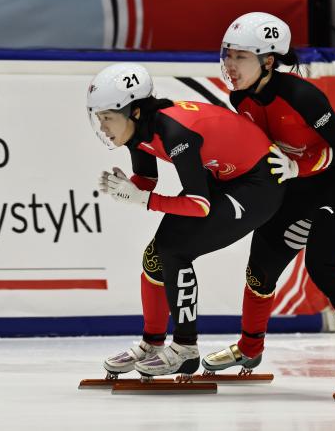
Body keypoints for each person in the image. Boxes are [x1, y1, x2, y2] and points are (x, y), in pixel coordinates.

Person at [200, 12, 335, 387]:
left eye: (240, 57)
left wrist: (299, 167)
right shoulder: (240, 97)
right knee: (260, 267)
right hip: (298, 185)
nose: (230, 65)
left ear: (268, 61)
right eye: (228, 54)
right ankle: (249, 348)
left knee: (323, 267)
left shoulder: (303, 96)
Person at [88, 63, 285, 376]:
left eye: (108, 118)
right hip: (225, 174)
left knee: (175, 251)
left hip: (260, 185)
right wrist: (127, 188)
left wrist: (142, 200)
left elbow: (199, 205)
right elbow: (147, 178)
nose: (103, 128)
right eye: (99, 119)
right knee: (155, 256)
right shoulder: (138, 131)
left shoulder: (175, 132)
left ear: (135, 111)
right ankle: (152, 343)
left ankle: (185, 348)